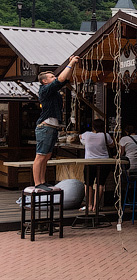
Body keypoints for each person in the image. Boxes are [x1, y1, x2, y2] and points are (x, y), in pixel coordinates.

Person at [32, 55, 79, 187]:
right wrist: (72, 63)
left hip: (51, 127)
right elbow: (61, 79)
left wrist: (71, 64)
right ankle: (37, 183)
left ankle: (42, 181)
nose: (54, 78)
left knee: (46, 156)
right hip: (45, 127)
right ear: (45, 81)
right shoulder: (45, 90)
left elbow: (64, 80)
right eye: (51, 77)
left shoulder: (51, 90)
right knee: (40, 156)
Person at [80, 118, 114, 212]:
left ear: (93, 127)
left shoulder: (87, 134)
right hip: (104, 163)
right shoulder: (105, 135)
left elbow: (79, 137)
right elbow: (112, 145)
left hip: (90, 163)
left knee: (88, 184)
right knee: (100, 184)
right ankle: (96, 206)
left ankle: (89, 205)